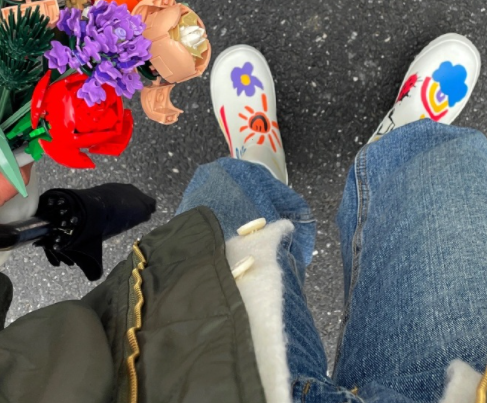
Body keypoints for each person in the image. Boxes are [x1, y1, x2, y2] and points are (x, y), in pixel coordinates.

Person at [0, 34, 484, 403]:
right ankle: (402, 151)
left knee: (225, 207)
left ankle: (257, 168)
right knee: (445, 176)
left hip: (185, 377)